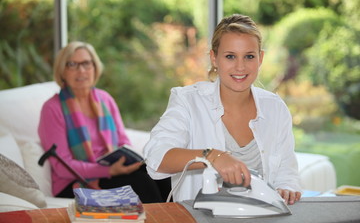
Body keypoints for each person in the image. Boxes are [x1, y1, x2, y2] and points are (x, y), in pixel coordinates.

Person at [143, 14, 302, 205]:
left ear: (260, 58)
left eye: (249, 56)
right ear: (214, 58)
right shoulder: (187, 101)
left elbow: (287, 172)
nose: (240, 67)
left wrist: (287, 189)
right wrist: (212, 156)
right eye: (230, 56)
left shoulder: (276, 108)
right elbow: (156, 158)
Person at [38, 41, 170, 203]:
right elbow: (62, 165)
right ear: (62, 71)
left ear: (95, 67)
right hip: (75, 183)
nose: (81, 70)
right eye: (72, 64)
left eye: (86, 63)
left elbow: (122, 141)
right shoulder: (52, 108)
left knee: (160, 174)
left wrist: (127, 162)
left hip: (113, 170)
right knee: (139, 183)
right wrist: (107, 170)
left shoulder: (105, 99)